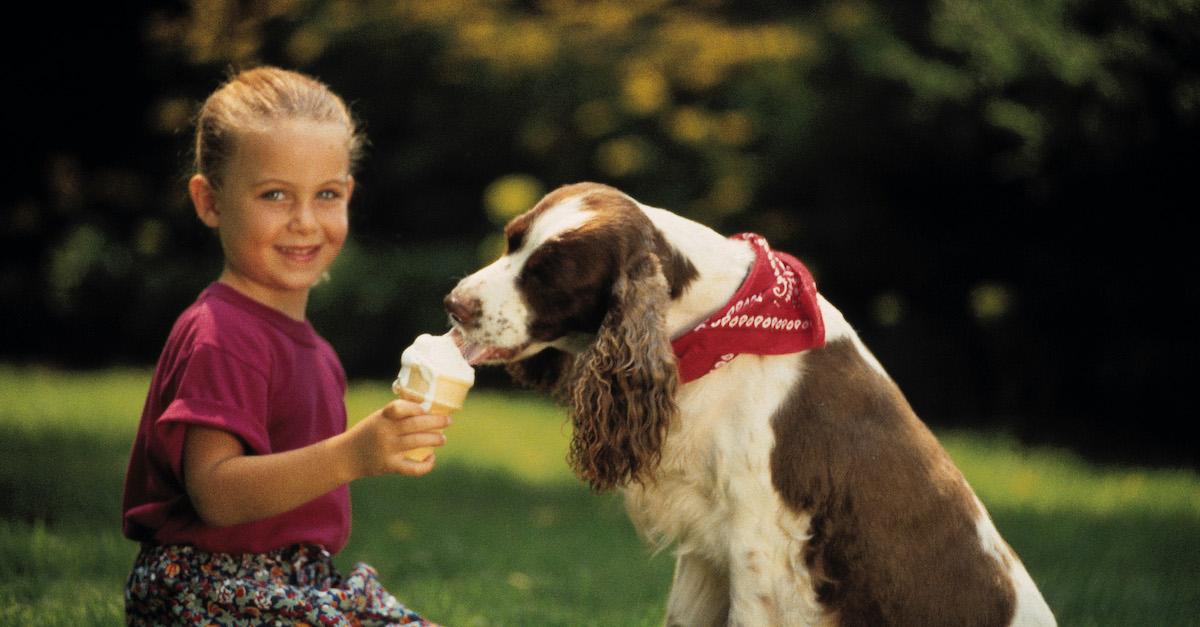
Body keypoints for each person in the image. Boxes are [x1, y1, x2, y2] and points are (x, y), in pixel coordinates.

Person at [121, 66, 447, 626]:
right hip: (212, 584)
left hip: (298, 580)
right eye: (275, 195)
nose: (304, 222)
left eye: (326, 195)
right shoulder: (224, 334)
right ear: (210, 201)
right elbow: (216, 494)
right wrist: (354, 454)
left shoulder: (314, 348)